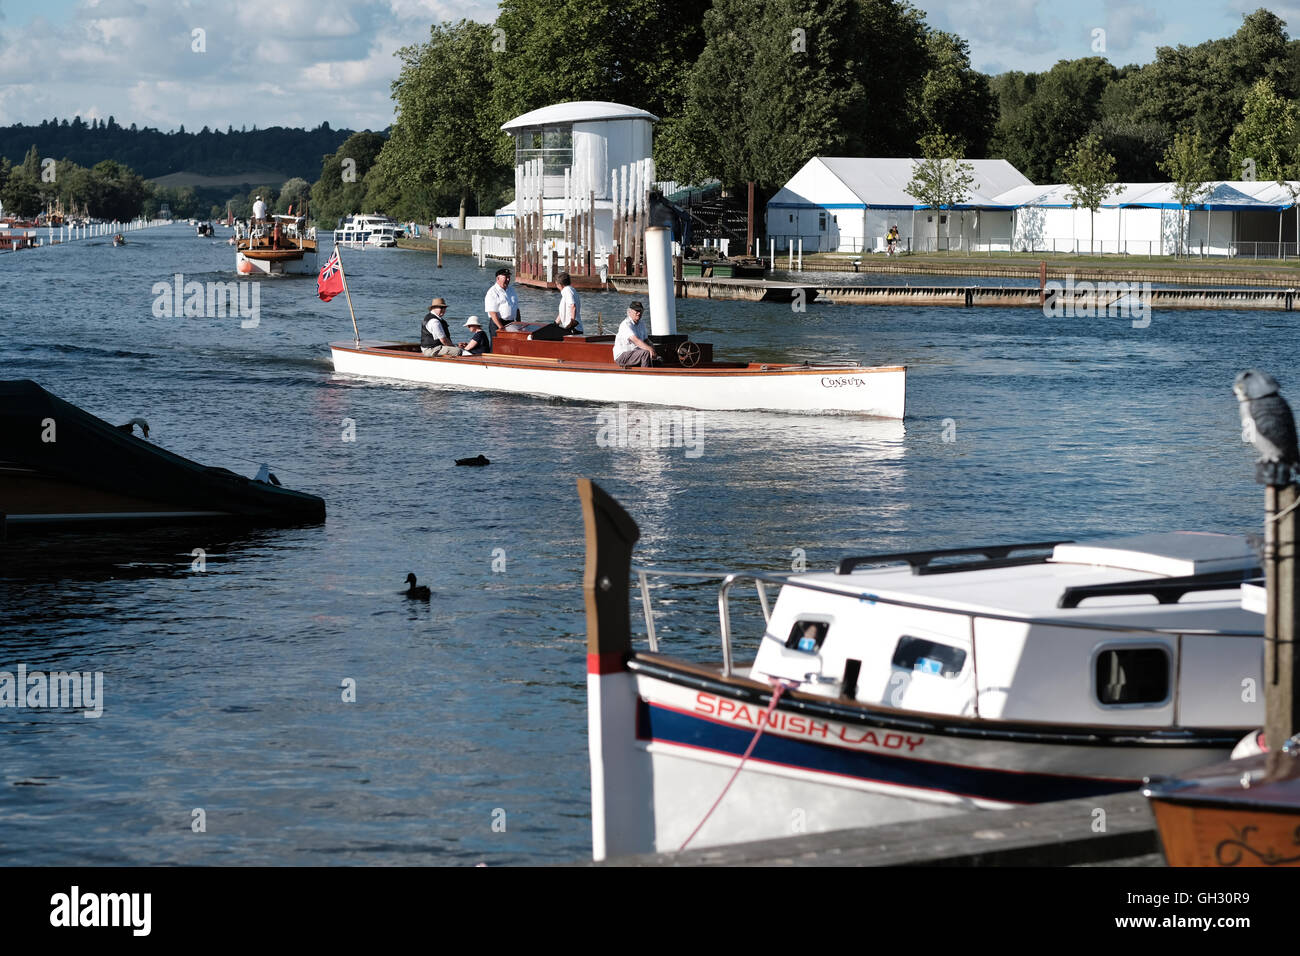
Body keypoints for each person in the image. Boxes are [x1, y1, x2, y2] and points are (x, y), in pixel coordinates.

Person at [613, 301, 659, 368]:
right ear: (630, 311)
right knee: (645, 353)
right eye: (637, 311)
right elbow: (635, 340)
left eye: (641, 311)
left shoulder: (641, 324)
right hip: (622, 356)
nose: (639, 313)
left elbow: (646, 340)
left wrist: (652, 347)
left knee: (659, 360)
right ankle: (645, 375)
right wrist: (650, 349)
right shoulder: (626, 324)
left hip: (636, 354)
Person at [484, 268, 521, 333]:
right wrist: (501, 328)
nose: (508, 279)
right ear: (498, 278)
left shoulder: (511, 290)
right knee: (497, 343)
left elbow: (516, 309)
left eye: (509, 277)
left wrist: (519, 324)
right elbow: (492, 313)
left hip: (511, 323)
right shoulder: (492, 292)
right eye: (505, 277)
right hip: (498, 323)